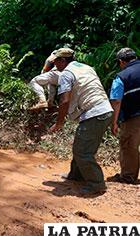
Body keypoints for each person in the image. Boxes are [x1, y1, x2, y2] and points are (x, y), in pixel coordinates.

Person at [49, 48, 113, 195]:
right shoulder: (86, 67)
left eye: (56, 62)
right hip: (104, 109)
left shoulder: (66, 73)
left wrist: (59, 123)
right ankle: (76, 175)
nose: (54, 66)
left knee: (83, 151)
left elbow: (64, 100)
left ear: (63, 60)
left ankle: (96, 184)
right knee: (80, 144)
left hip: (94, 113)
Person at [107, 48, 140, 184]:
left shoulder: (121, 76)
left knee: (129, 145)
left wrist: (114, 122)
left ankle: (128, 177)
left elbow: (116, 100)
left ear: (121, 62)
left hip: (133, 116)